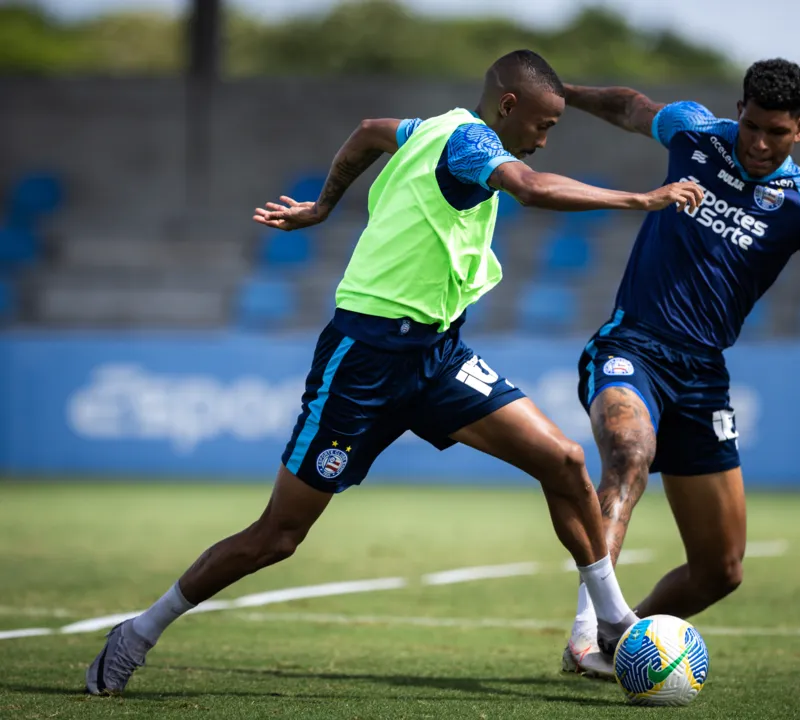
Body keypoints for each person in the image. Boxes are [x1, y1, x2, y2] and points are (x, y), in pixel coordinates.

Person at [85, 49, 704, 696]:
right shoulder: (469, 142)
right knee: (277, 536)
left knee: (564, 463)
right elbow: (531, 188)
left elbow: (370, 130)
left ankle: (609, 623)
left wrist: (324, 205)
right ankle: (138, 632)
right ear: (508, 106)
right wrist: (641, 197)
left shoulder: (431, 127)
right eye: (544, 124)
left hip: (436, 357)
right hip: (365, 361)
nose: (547, 136)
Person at [558, 58, 800, 679]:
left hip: (702, 377)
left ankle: (626, 647)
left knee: (720, 571)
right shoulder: (695, 133)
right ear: (737, 111)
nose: (757, 142)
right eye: (750, 125)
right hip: (633, 345)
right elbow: (628, 105)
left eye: (775, 132)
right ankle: (589, 633)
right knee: (629, 451)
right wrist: (560, 92)